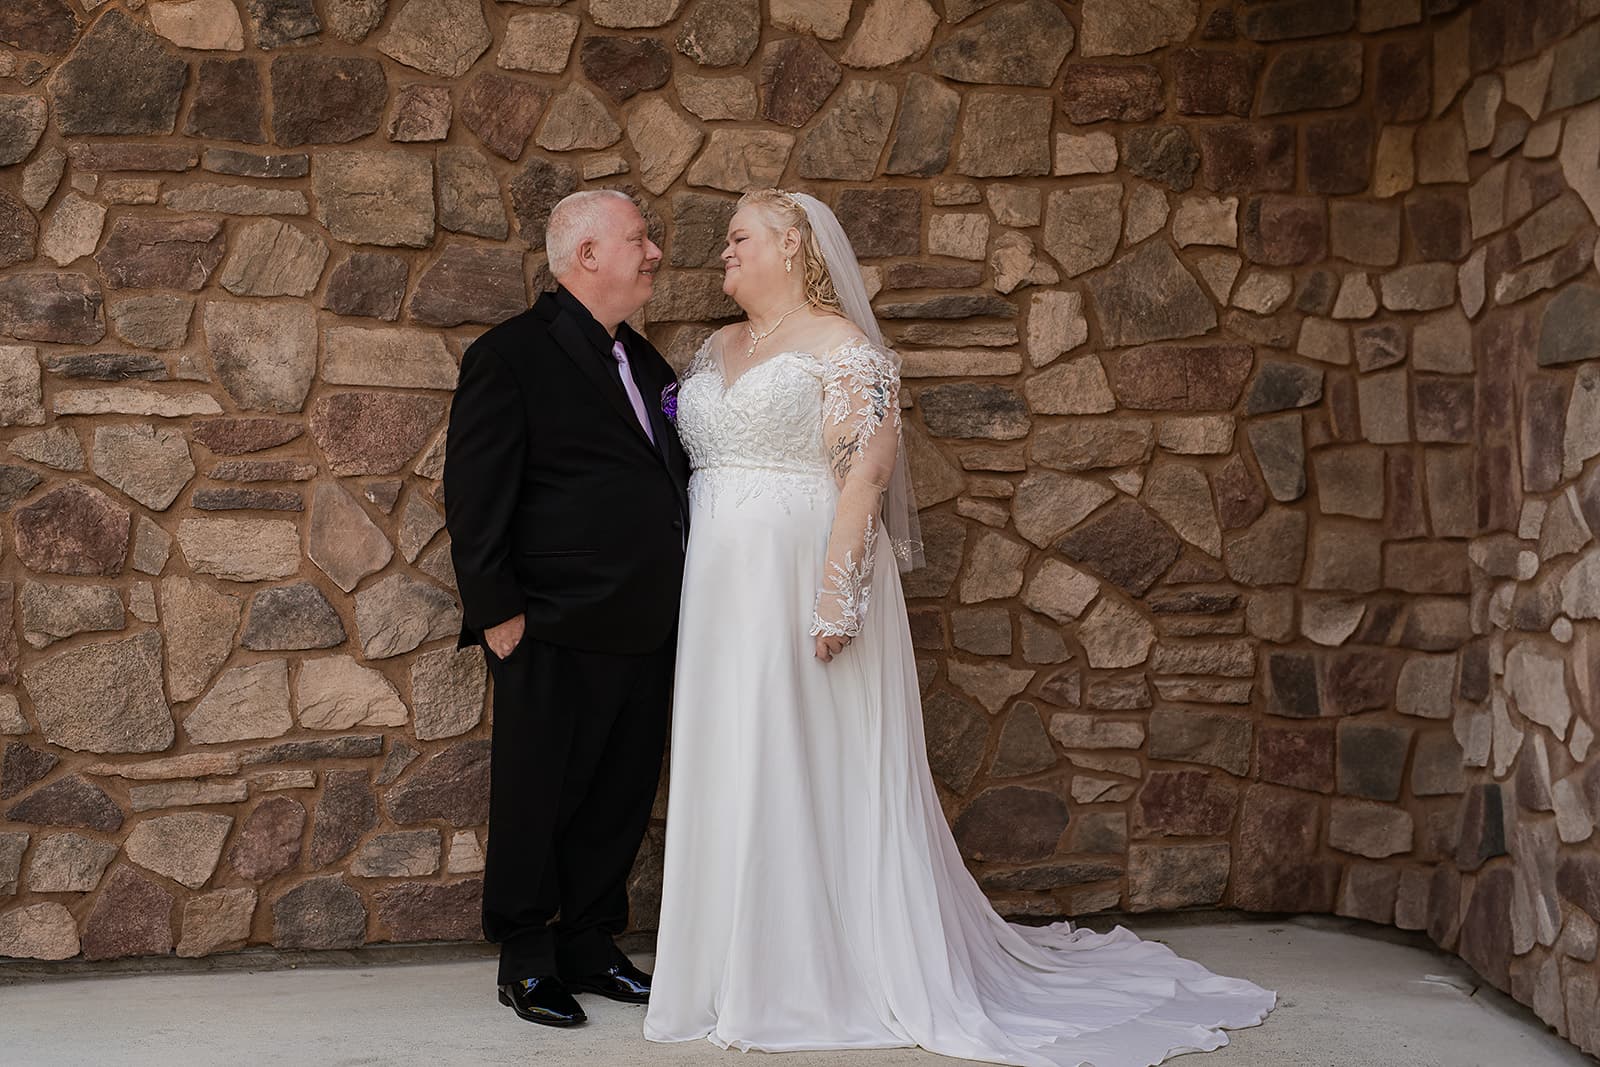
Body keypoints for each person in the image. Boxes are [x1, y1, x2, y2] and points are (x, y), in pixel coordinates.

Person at [643, 189, 1276, 1065]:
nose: (724, 251)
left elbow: (864, 477)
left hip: (797, 582)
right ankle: (723, 967)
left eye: (738, 237)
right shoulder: (714, 349)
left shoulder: (842, 347)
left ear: (790, 246)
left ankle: (807, 974)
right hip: (719, 593)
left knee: (801, 755)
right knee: (733, 754)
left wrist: (836, 598)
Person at [443, 189, 689, 1028]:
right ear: (587, 254)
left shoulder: (648, 364)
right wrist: (498, 612)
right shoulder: (510, 355)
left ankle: (589, 940)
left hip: (646, 623)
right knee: (537, 791)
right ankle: (525, 954)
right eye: (639, 239)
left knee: (620, 791)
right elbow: (476, 492)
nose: (654, 252)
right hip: (549, 622)